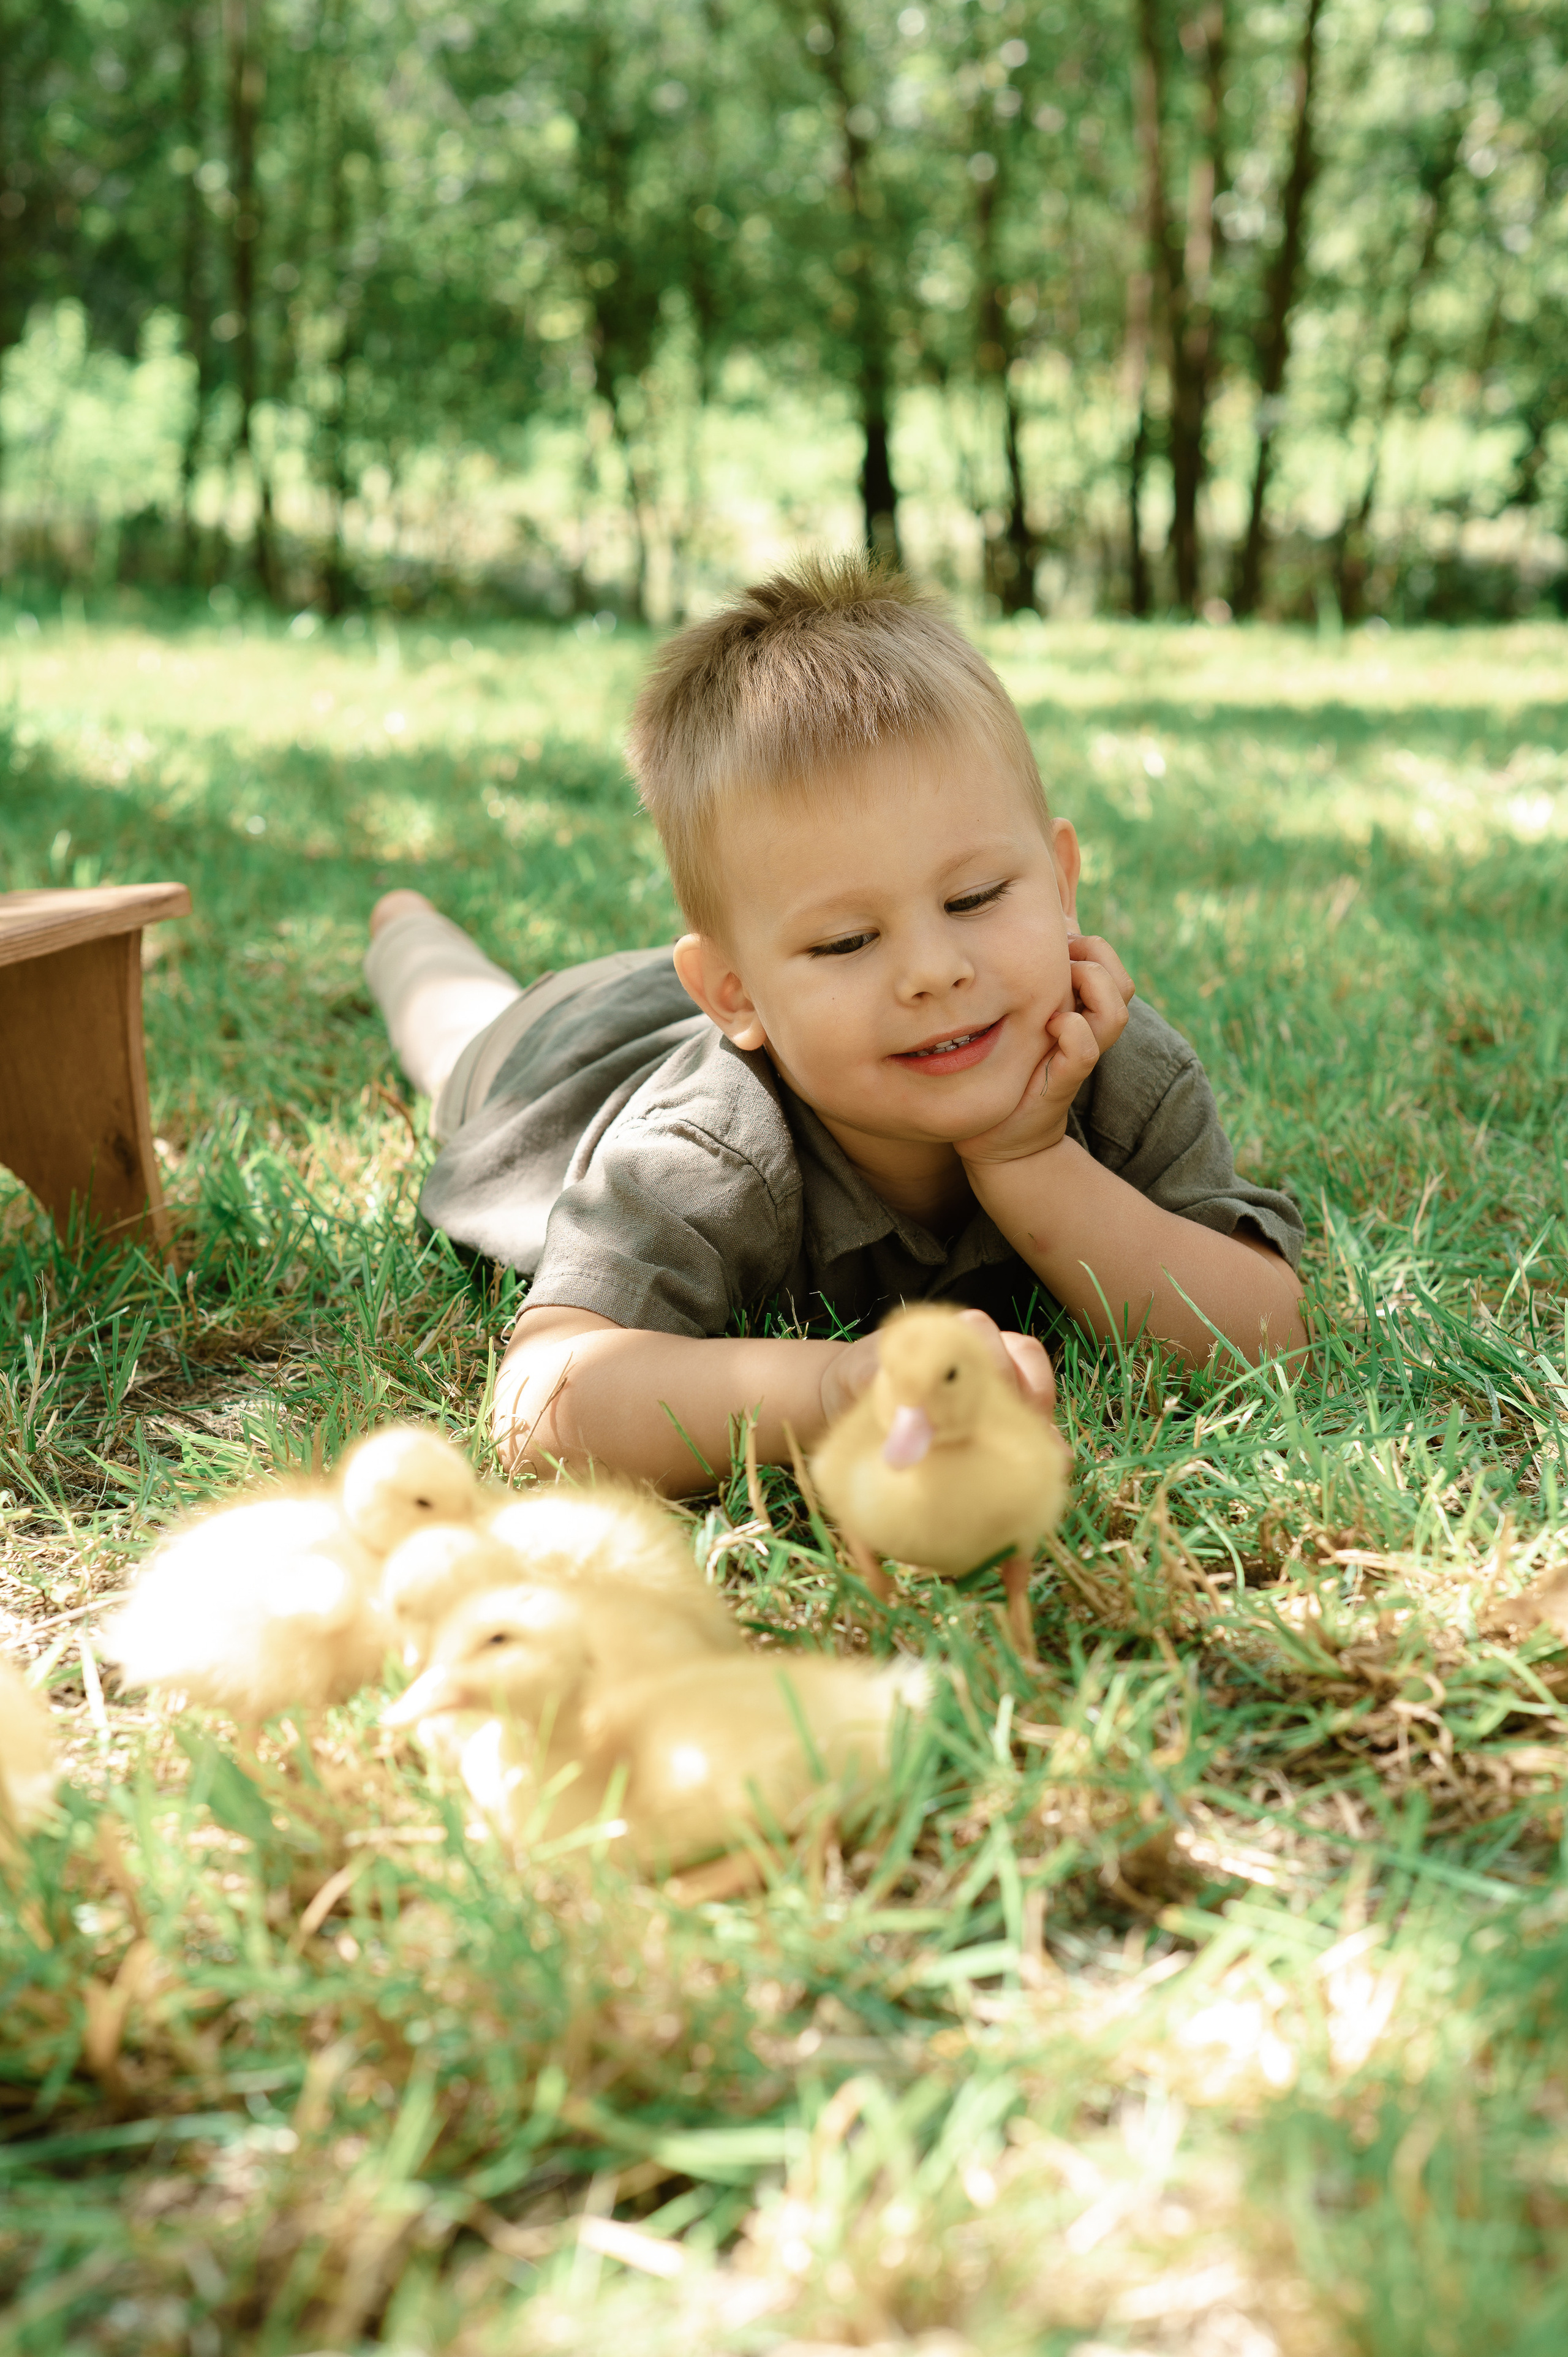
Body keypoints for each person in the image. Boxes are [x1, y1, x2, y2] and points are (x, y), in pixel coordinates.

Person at [366, 555, 1306, 1496]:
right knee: (459, 1025)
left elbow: (1272, 1342)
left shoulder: (1110, 1061)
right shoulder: (702, 1149)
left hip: (756, 994)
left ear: (1062, 885)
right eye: (851, 940)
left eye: (975, 897)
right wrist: (837, 1385)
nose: (935, 971)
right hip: (567, 1047)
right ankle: (404, 925)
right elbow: (542, 1406)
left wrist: (1028, 1160)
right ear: (733, 991)